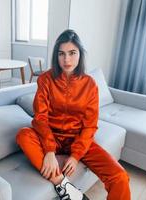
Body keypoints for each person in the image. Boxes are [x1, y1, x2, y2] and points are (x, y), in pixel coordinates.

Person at [16, 29, 131, 200]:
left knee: (120, 177)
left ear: (80, 54)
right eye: (61, 54)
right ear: (56, 56)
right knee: (23, 135)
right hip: (50, 138)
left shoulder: (90, 84)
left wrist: (76, 156)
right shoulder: (45, 79)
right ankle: (65, 188)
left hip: (78, 140)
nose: (66, 59)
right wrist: (48, 151)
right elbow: (40, 118)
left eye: (72, 53)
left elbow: (90, 125)